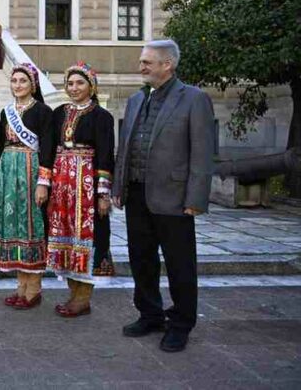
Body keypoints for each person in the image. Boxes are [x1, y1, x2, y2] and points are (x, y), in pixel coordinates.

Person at [112, 40, 215, 353]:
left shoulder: (194, 99)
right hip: (137, 194)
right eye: (142, 61)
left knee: (180, 264)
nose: (141, 66)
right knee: (141, 259)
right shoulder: (136, 99)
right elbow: (125, 147)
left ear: (167, 64)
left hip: (175, 197)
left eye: (147, 62)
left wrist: (195, 199)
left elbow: (202, 153)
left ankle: (181, 324)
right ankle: (150, 314)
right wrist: (118, 187)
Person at [46, 62, 115, 318]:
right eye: (70, 83)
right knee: (64, 238)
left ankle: (83, 298)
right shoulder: (59, 113)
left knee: (87, 239)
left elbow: (106, 156)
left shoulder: (102, 116)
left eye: (80, 83)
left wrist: (103, 194)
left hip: (87, 188)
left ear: (91, 86)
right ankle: (73, 294)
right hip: (61, 187)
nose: (74, 88)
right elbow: (49, 149)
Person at [0, 63, 54, 310]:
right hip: (8, 171)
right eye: (14, 80)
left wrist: (43, 183)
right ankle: (20, 286)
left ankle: (33, 288)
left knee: (30, 227)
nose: (17, 85)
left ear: (33, 85)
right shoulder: (6, 112)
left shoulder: (43, 112)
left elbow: (47, 148)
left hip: (30, 170)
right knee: (12, 227)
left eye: (23, 81)